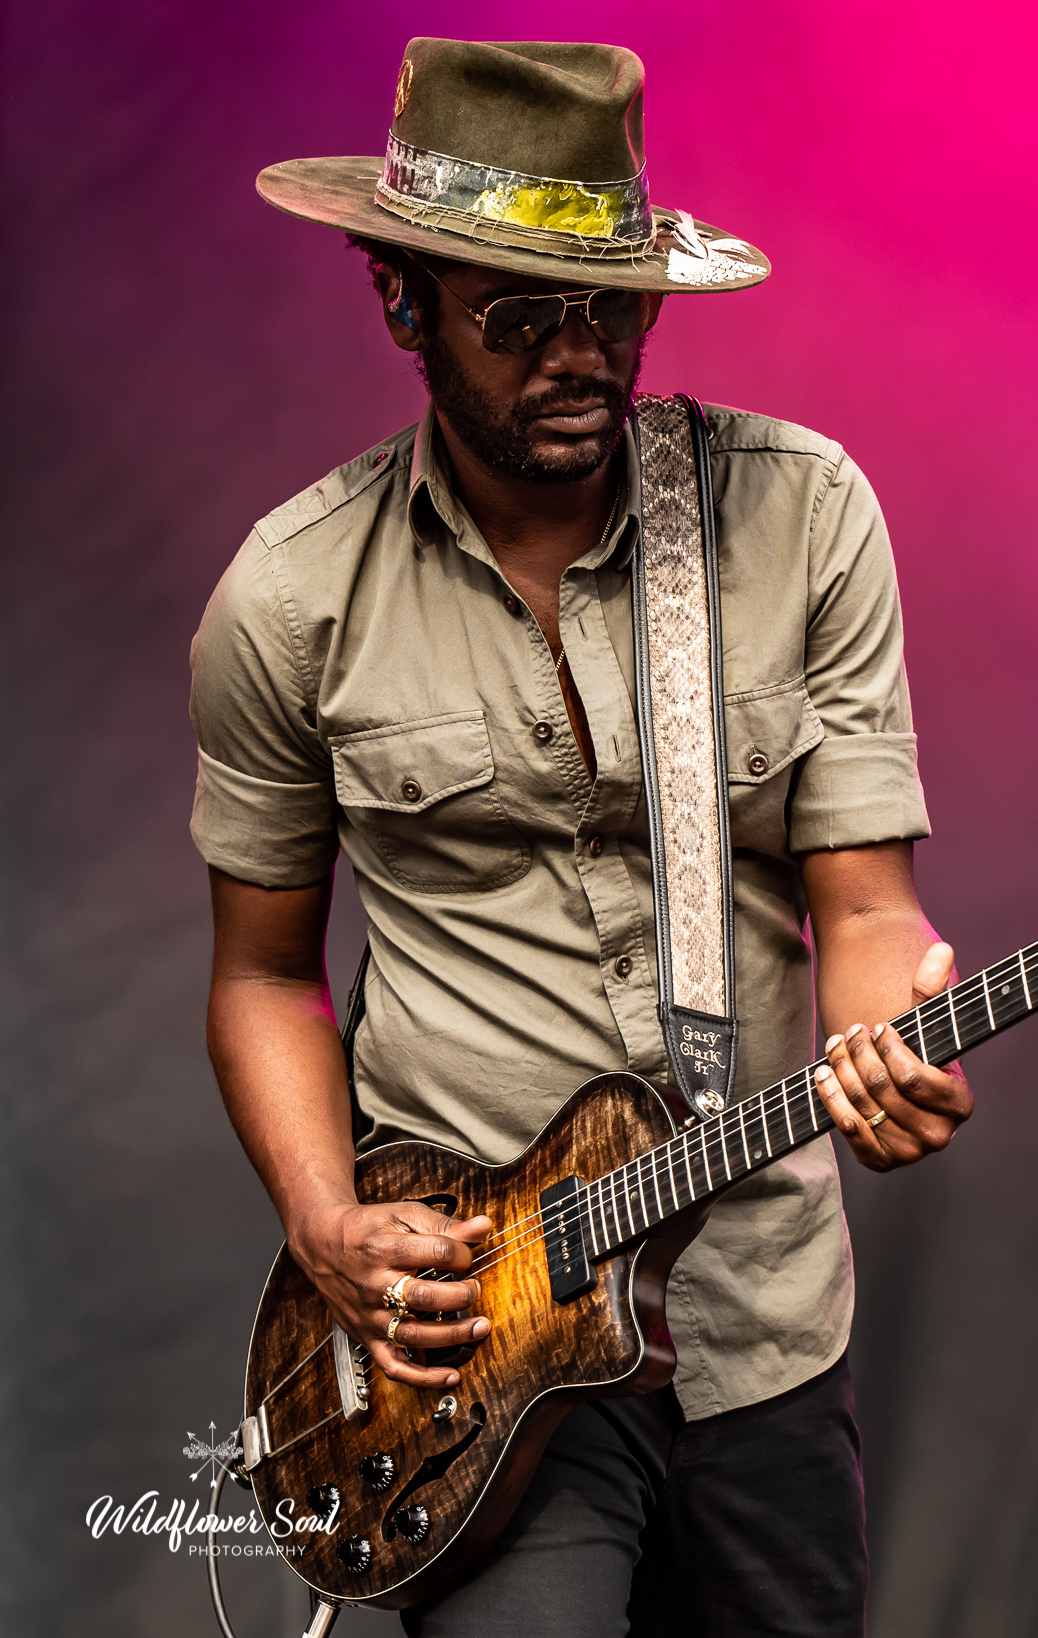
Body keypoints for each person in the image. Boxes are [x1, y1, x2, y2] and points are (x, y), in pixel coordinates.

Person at [191, 38, 970, 1636]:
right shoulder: (290, 598)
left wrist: (886, 1023)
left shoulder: (800, 516)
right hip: (475, 1334)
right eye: (525, 317)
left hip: (757, 1313)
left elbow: (870, 905)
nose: (583, 357)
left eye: (615, 307)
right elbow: (265, 973)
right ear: (402, 299)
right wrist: (326, 1219)